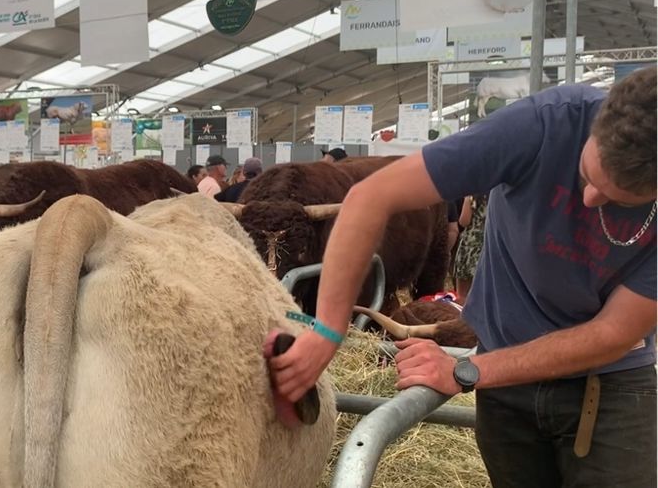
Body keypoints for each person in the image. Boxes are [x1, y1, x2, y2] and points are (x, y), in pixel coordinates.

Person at [269, 67, 657, 488]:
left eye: (618, 199)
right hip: (506, 381)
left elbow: (613, 333)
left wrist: (465, 372)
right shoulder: (544, 123)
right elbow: (370, 197)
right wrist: (327, 330)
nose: (589, 198)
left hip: (611, 386)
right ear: (598, 121)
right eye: (586, 174)